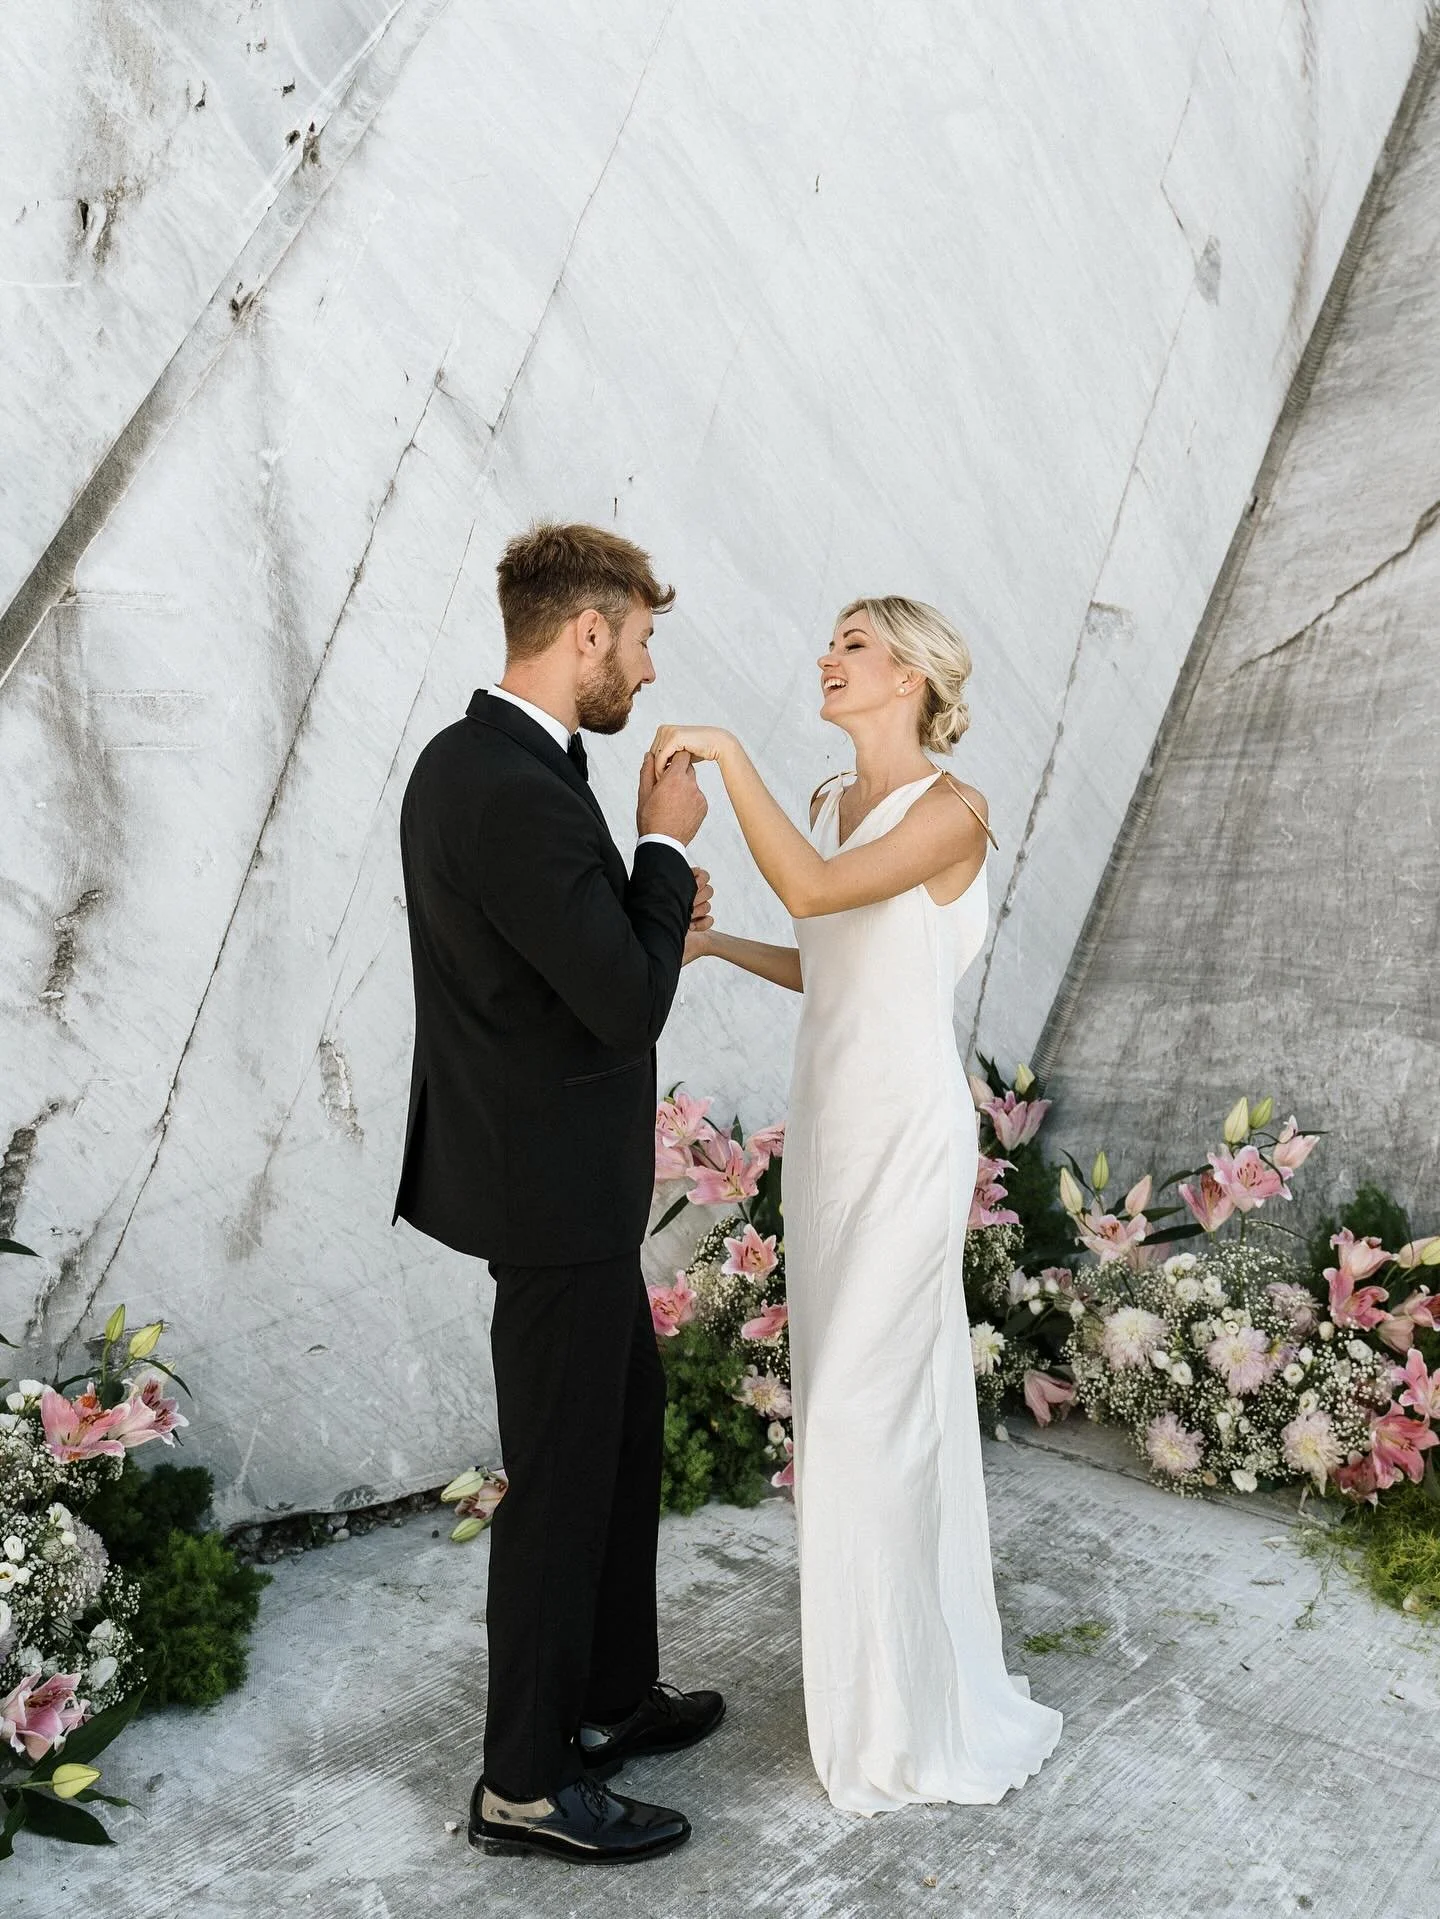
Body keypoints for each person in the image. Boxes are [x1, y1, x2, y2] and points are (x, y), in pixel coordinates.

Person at [651, 595, 1063, 1815]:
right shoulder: (833, 804)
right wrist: (719, 947)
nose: (827, 658)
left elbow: (820, 891)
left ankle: (902, 1721)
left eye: (854, 644)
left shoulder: (952, 811)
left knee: (853, 1418)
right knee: (861, 1416)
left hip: (905, 1139)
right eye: (829, 641)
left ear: (913, 677)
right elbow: (834, 959)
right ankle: (893, 1692)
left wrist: (727, 754)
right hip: (828, 1138)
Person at [394, 523, 725, 1864]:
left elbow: (572, 964)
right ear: (586, 630)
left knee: (620, 1437)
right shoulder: (514, 786)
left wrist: (650, 907)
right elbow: (625, 999)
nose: (644, 667)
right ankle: (525, 1781)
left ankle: (604, 1696)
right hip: (551, 1193)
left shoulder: (484, 760)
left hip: (557, 1180)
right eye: (639, 639)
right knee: (561, 1483)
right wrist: (661, 848)